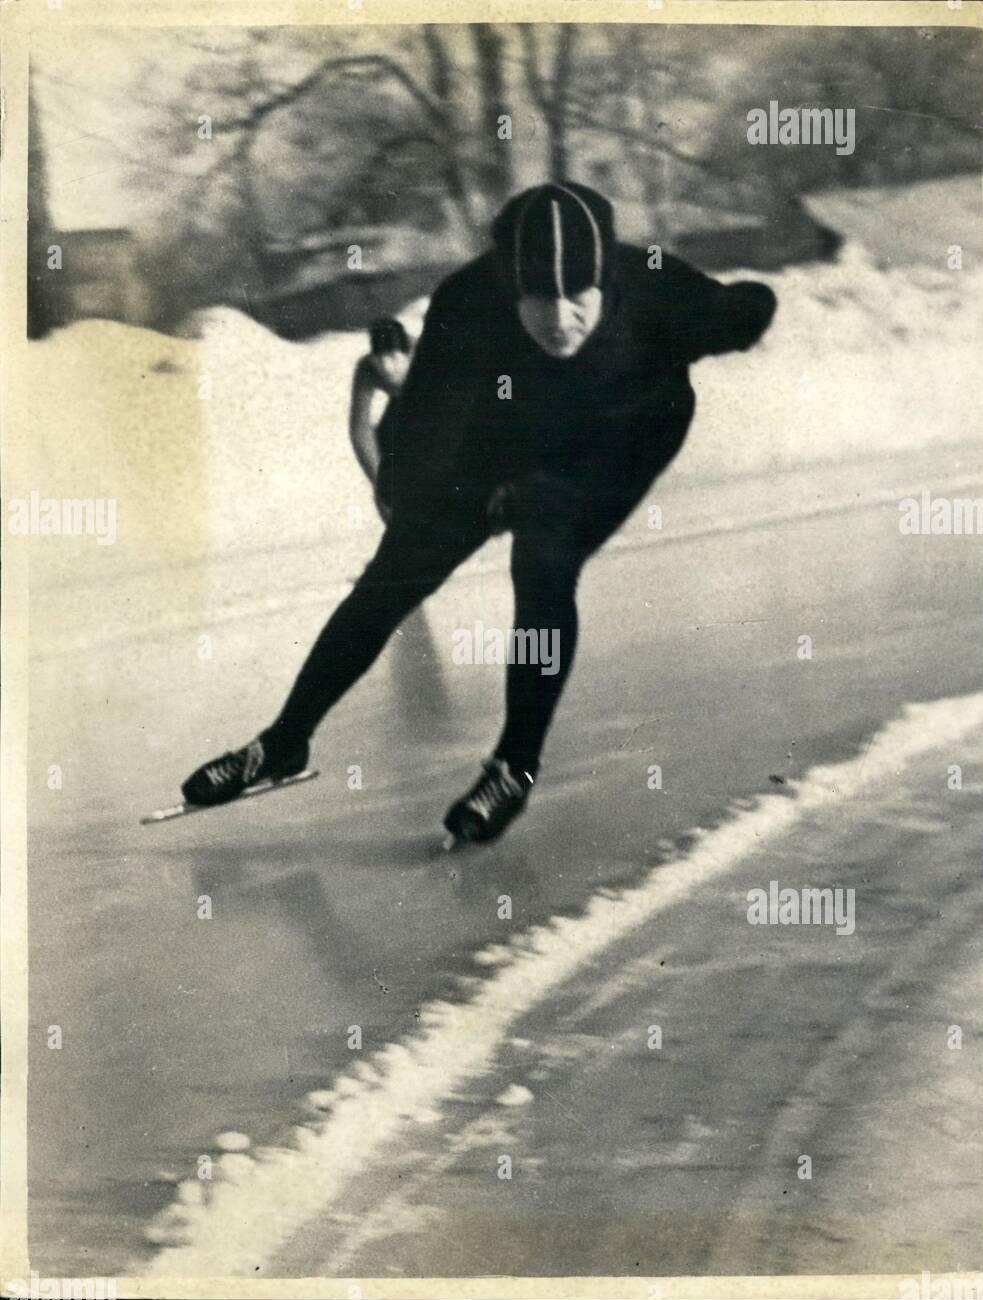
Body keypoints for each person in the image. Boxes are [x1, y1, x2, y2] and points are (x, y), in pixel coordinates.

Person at [181, 182, 777, 843]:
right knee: (396, 573)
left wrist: (747, 308)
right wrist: (429, 506)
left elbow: (743, 310)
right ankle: (284, 741)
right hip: (508, 428)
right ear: (507, 286)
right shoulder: (466, 302)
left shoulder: (658, 291)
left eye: (576, 296)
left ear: (606, 282)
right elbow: (424, 429)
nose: (557, 319)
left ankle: (513, 767)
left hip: (624, 429)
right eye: (537, 299)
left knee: (544, 557)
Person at [348, 318, 414, 523]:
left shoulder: (431, 353)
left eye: (394, 357)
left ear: (409, 353)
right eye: (381, 359)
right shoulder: (367, 369)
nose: (388, 367)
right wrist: (381, 482)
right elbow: (360, 430)